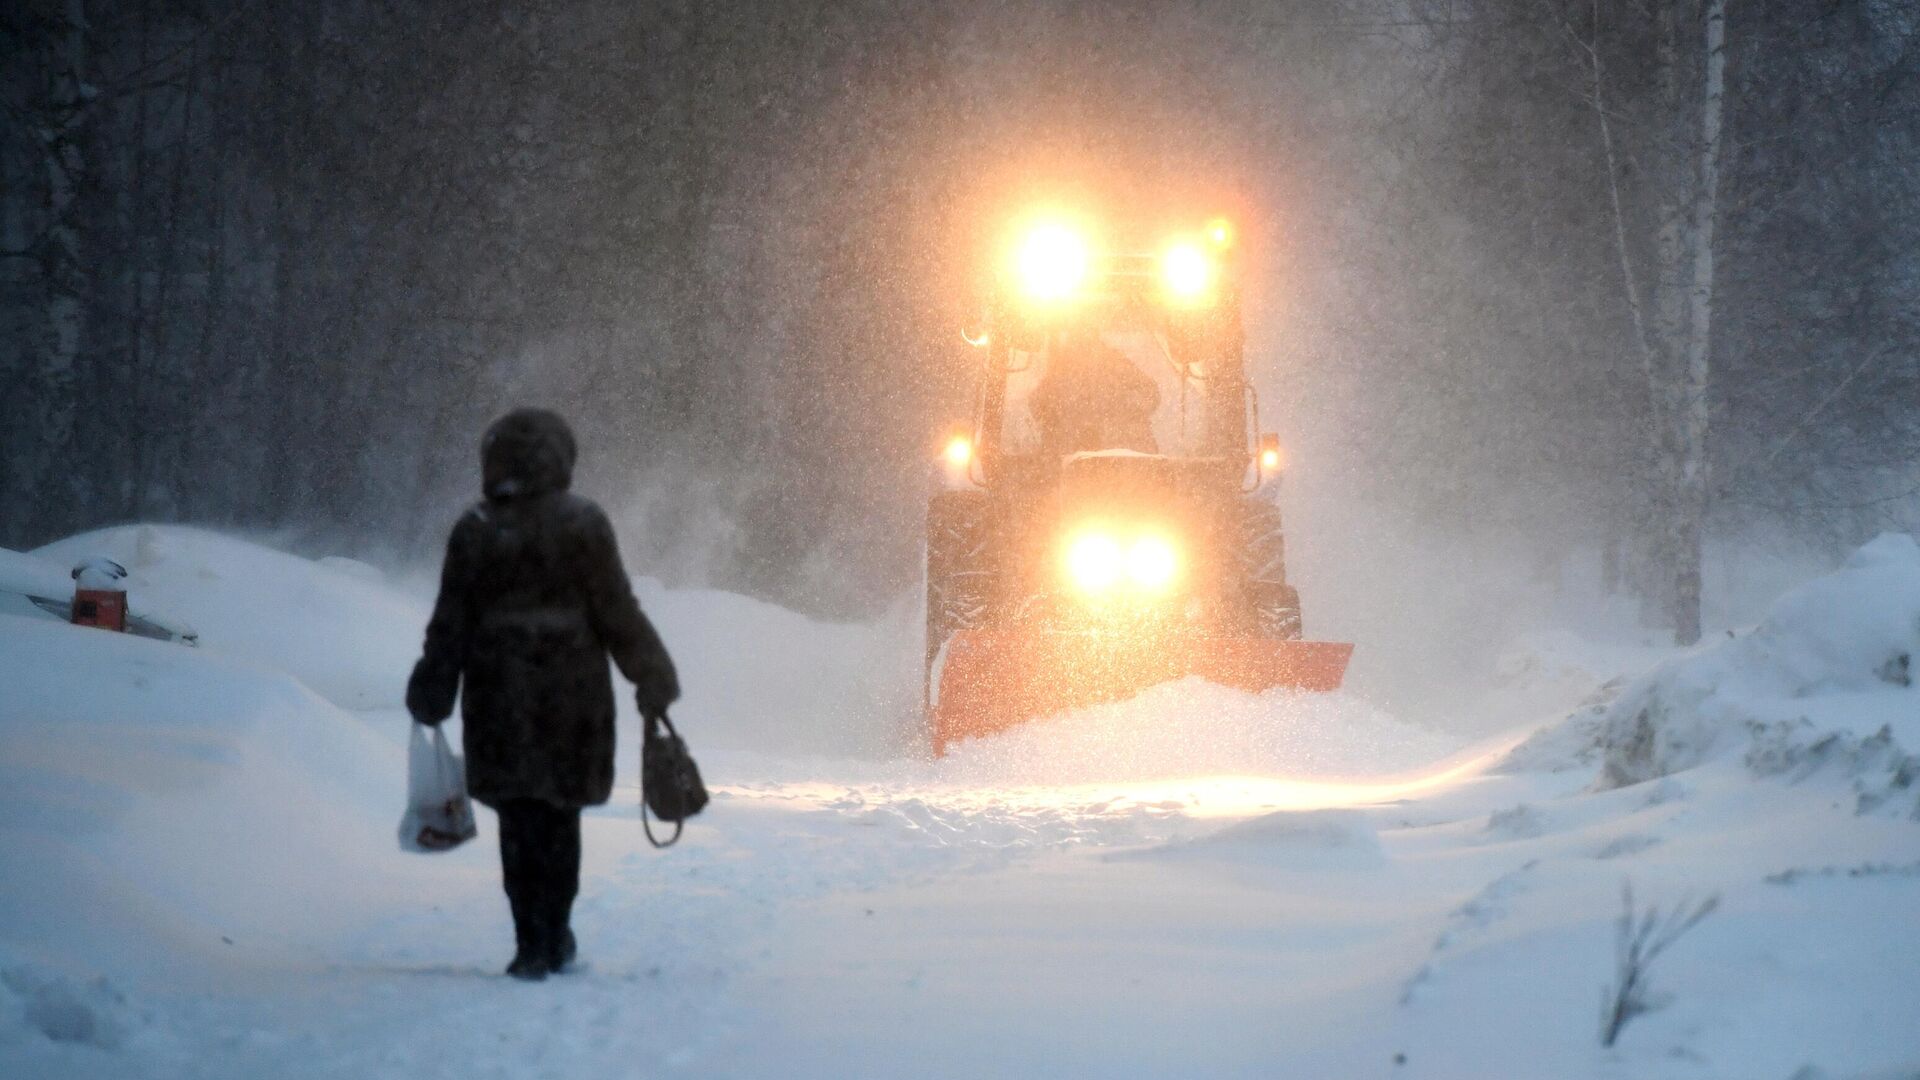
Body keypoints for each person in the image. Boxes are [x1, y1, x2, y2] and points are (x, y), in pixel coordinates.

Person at [407, 407, 680, 981]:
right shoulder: (583, 525)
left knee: (518, 819)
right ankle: (555, 929)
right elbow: (616, 612)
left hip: (499, 698)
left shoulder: (476, 530)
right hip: (572, 699)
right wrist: (651, 676)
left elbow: (450, 623)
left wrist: (434, 687)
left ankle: (529, 937)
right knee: (561, 817)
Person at [1028, 329, 1160, 455]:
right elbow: (1038, 404)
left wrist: (1127, 409)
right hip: (1066, 459)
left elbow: (1150, 394)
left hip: (1119, 460)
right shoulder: (1060, 372)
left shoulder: (1117, 365)